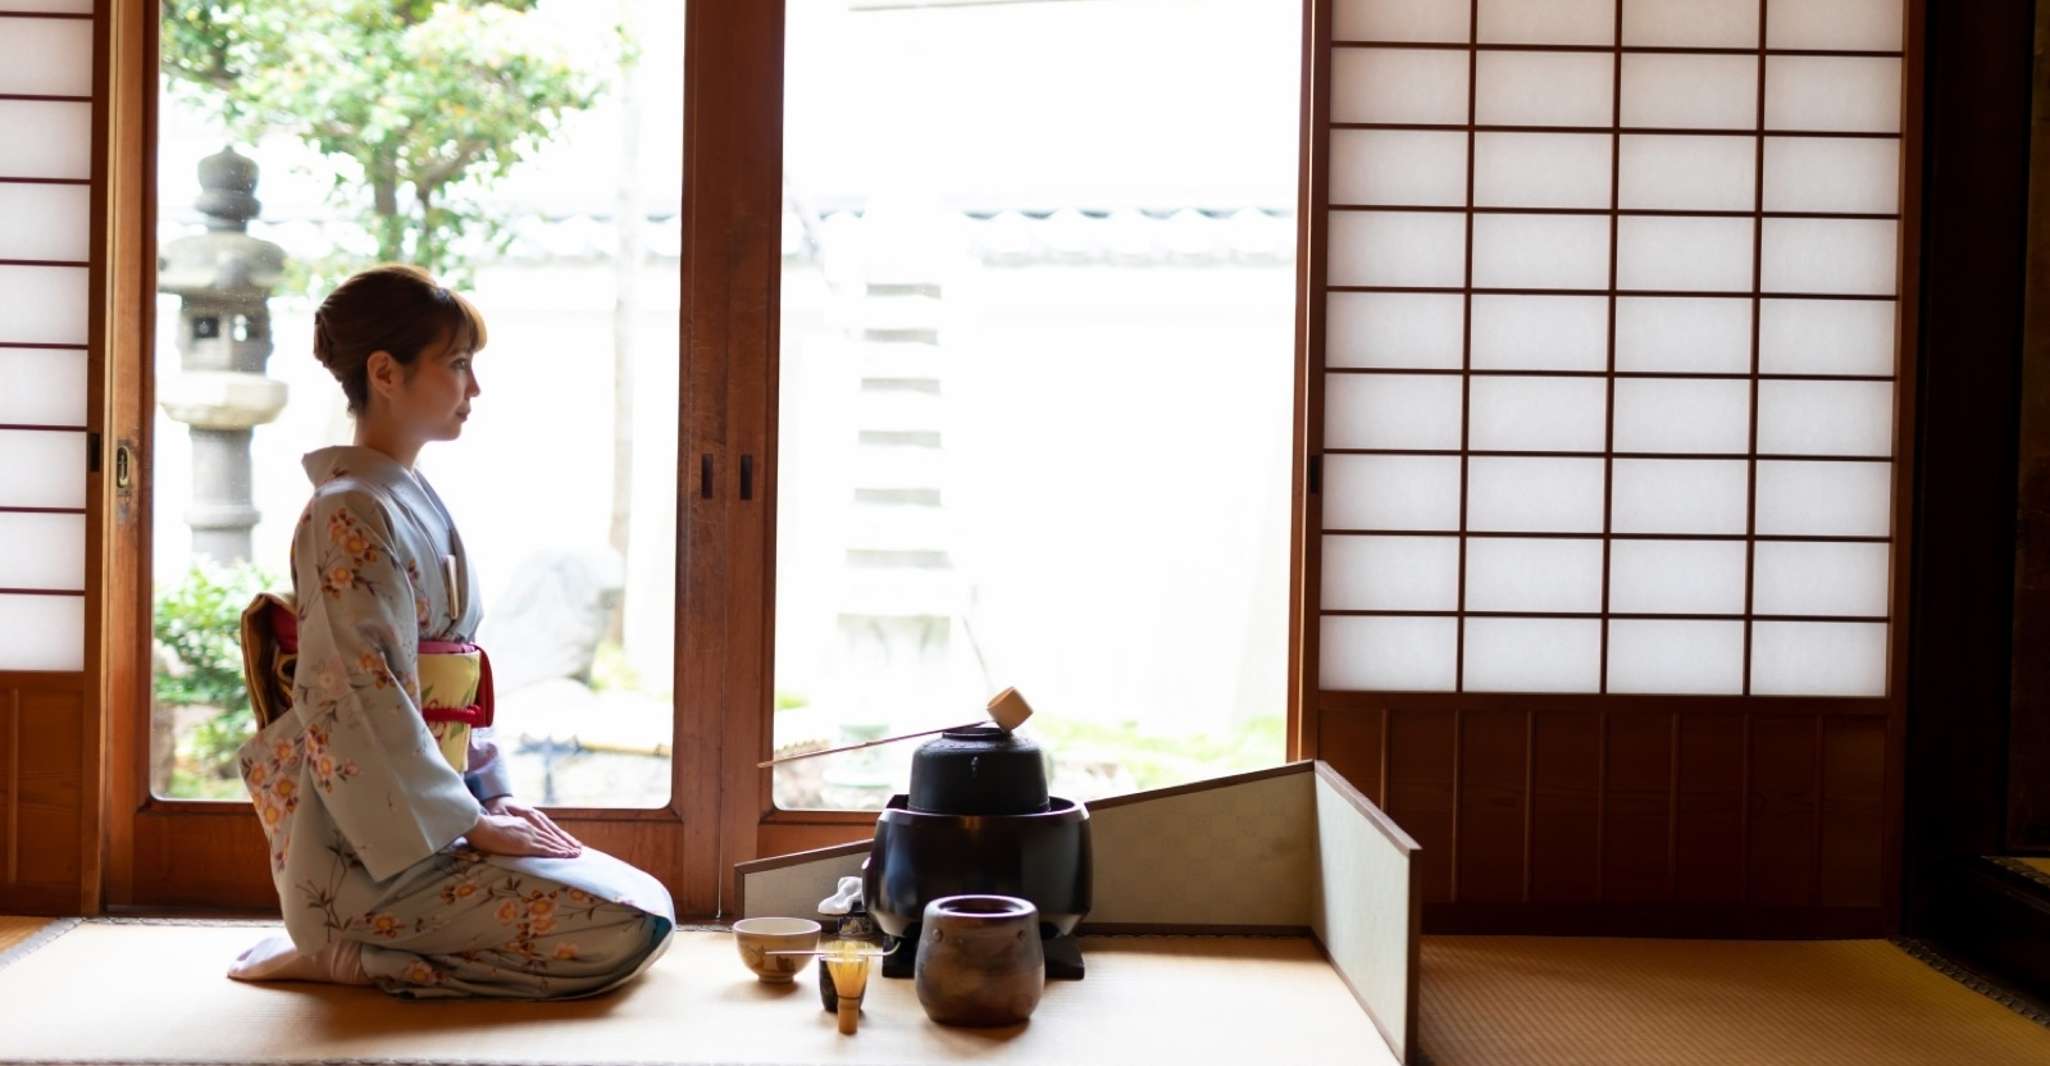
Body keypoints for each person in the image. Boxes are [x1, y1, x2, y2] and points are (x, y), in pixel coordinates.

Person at [226, 264, 674, 998]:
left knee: (647, 906)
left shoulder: (401, 502)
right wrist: (466, 821)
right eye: (458, 364)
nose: (474, 388)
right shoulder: (347, 512)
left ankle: (363, 942)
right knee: (621, 929)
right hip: (363, 850)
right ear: (385, 372)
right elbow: (359, 701)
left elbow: (452, 691)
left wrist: (490, 798)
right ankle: (341, 947)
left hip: (433, 819)